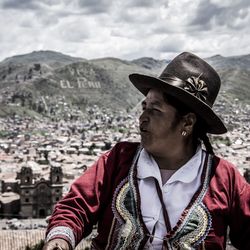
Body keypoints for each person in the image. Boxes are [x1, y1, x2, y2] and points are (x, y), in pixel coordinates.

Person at [43, 52, 250, 250]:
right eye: (144, 107)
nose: (143, 117)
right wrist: (60, 239)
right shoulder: (118, 160)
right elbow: (75, 207)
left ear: (187, 122)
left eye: (155, 110)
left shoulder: (224, 179)